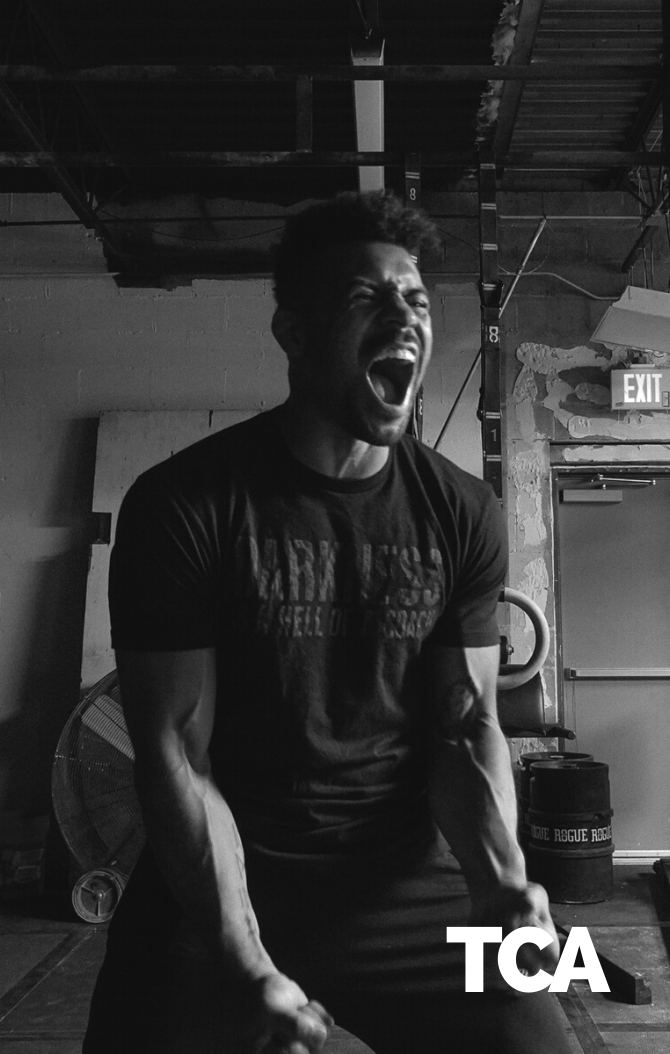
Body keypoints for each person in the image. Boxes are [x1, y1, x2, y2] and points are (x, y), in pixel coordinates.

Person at [83, 191, 571, 1054]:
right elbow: (175, 755)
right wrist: (245, 963)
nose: (402, 317)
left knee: (547, 1037)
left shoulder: (464, 510)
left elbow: (466, 723)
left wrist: (502, 882)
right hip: (219, 889)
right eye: (364, 298)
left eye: (416, 300)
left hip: (411, 879)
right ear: (294, 332)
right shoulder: (184, 503)